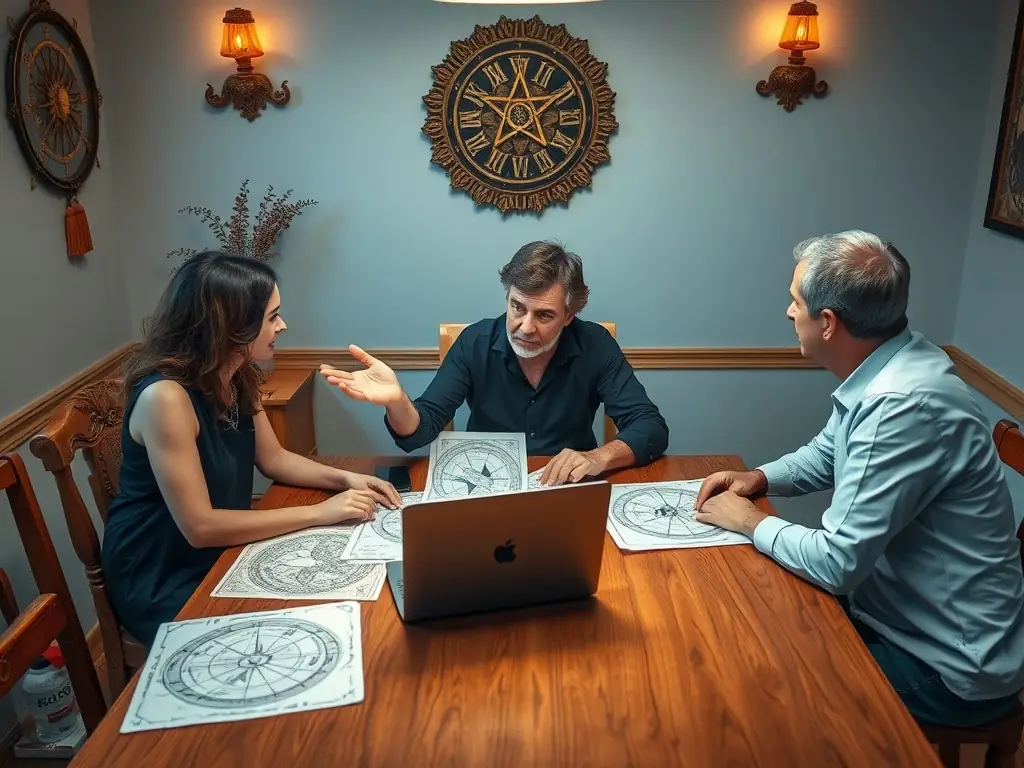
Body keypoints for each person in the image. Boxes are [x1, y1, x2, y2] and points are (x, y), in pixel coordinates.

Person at [692, 230, 1024, 727]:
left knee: (758, 685)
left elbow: (837, 564)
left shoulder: (901, 405)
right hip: (898, 618)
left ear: (827, 323)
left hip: (948, 668)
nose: (788, 312)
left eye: (794, 302)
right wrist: (759, 479)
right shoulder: (897, 360)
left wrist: (748, 522)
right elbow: (829, 453)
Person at [101, 251, 402, 646]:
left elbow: (274, 459)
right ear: (232, 325)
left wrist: (347, 478)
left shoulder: (237, 371)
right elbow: (200, 528)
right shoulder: (166, 399)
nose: (283, 325)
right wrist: (319, 512)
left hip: (220, 548)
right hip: (164, 572)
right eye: (272, 317)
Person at [319, 241, 669, 485]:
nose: (525, 326)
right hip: (482, 484)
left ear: (569, 316)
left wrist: (598, 458)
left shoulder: (595, 344)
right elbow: (420, 432)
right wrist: (397, 401)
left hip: (568, 485)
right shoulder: (474, 342)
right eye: (518, 307)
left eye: (544, 315)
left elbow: (650, 426)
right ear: (508, 296)